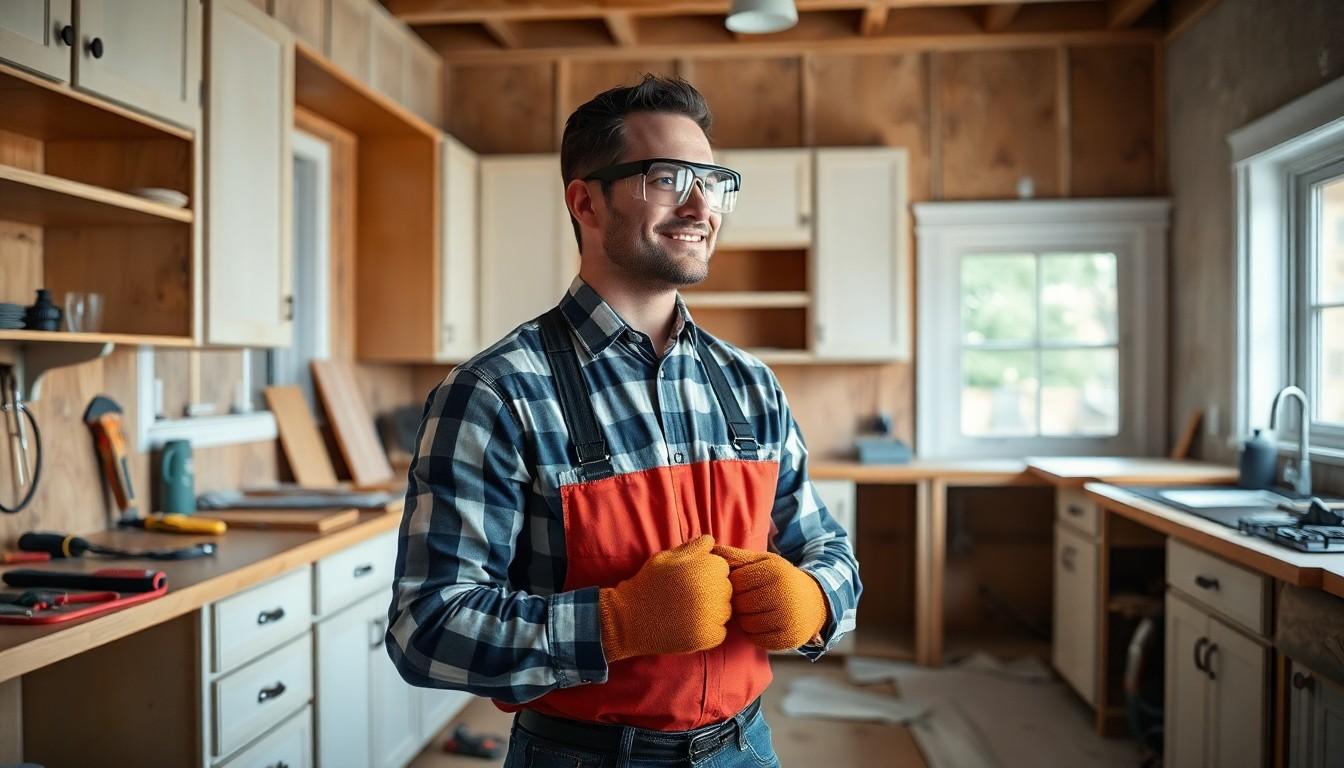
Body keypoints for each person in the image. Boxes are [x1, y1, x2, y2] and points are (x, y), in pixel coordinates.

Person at [387, 74, 861, 768]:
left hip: (746, 748)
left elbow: (829, 549)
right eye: (667, 178)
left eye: (714, 181)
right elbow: (424, 628)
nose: (703, 206)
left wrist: (817, 598)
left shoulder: (751, 386)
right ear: (585, 200)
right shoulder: (495, 393)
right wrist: (614, 624)